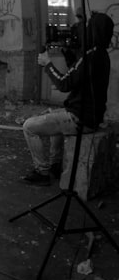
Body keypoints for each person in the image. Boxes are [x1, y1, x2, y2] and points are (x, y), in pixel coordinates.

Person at [20, 11, 114, 185]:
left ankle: (42, 172)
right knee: (56, 117)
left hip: (80, 118)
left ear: (93, 31)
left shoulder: (90, 56)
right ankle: (56, 165)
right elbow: (78, 76)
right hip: (90, 115)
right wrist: (69, 55)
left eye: (86, 27)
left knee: (29, 127)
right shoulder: (100, 55)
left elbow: (64, 84)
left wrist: (47, 64)